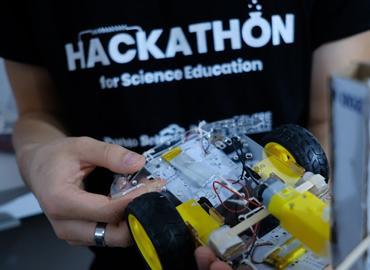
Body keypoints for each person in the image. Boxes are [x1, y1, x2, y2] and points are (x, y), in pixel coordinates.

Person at [1, 0, 370, 269]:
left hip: (283, 213)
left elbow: (340, 116)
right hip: (136, 247)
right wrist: (37, 154)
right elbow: (37, 113)